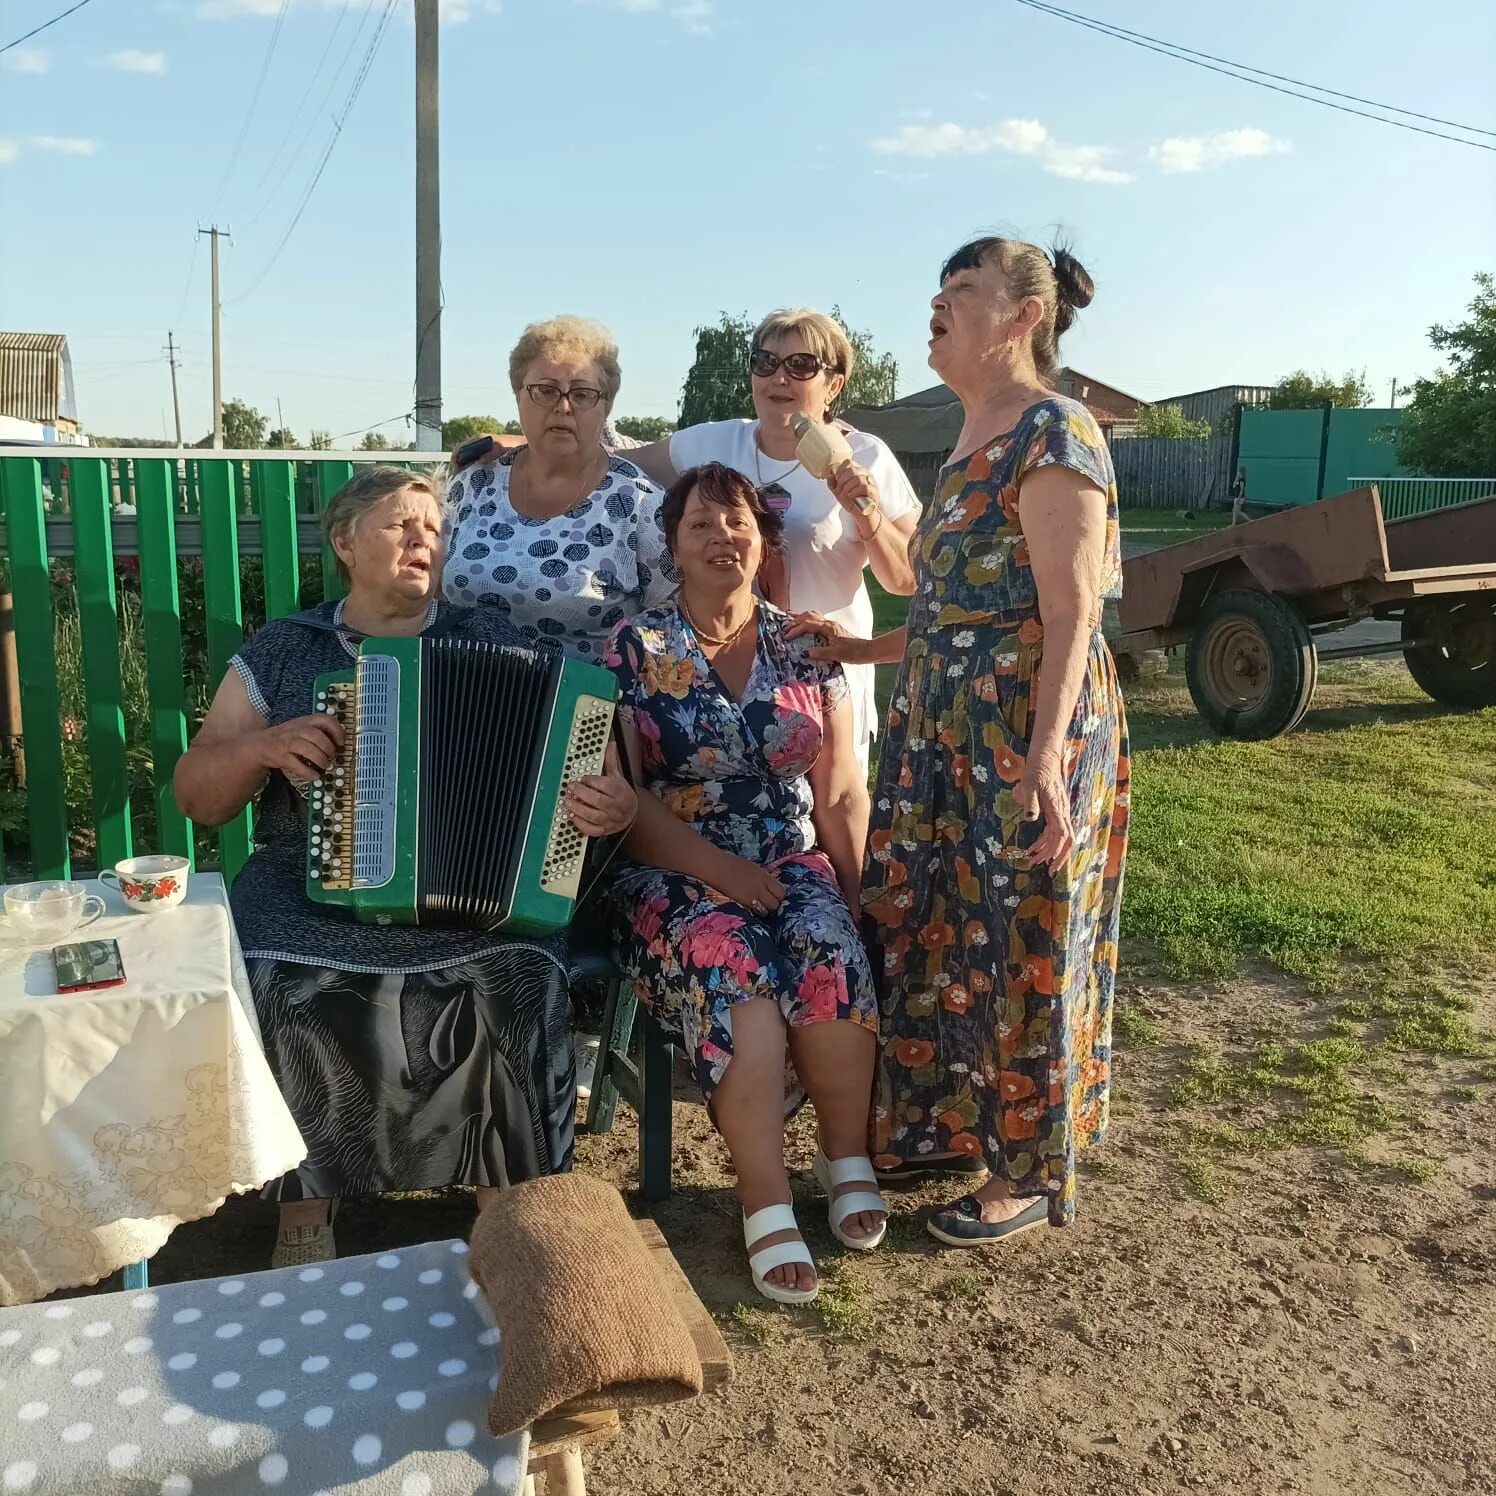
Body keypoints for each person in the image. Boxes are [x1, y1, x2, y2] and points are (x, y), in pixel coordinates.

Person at [174, 466, 637, 1267]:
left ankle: (513, 1217)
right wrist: (261, 748)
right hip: (306, 883)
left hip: (478, 901)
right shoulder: (287, 649)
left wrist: (613, 807)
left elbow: (598, 779)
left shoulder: (496, 645)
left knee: (521, 975)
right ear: (347, 542)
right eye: (401, 525)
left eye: (433, 528)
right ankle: (305, 1217)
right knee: (279, 974)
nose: (424, 540)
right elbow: (198, 796)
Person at [805, 236, 1130, 1245]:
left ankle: (1022, 1167)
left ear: (1021, 316)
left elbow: (1067, 611)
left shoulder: (1052, 428)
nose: (936, 305)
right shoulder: (962, 436)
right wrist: (856, 641)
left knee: (1019, 938)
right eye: (938, 289)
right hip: (942, 733)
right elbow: (950, 606)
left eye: (961, 291)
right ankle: (953, 1121)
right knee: (940, 930)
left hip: (1019, 733)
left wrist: (1041, 759)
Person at [604, 462, 887, 1305]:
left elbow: (837, 792)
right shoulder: (635, 647)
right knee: (743, 985)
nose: (721, 537)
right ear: (675, 549)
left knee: (832, 957)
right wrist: (723, 873)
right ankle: (763, 1193)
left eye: (737, 524)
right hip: (669, 869)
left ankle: (846, 1161)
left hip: (788, 859)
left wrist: (858, 890)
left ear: (762, 542)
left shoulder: (804, 644)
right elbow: (628, 799)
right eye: (701, 525)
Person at [621, 308, 921, 766]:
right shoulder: (713, 443)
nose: (779, 378)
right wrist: (512, 445)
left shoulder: (866, 456)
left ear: (834, 384)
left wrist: (869, 513)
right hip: (721, 674)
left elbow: (907, 581)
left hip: (821, 671)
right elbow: (612, 461)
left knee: (831, 818)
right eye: (766, 362)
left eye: (800, 365)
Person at [442, 315, 677, 661]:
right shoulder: (473, 486)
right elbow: (430, 597)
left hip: (588, 707)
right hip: (463, 698)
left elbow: (674, 625)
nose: (563, 406)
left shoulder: (640, 505)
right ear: (518, 396)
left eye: (582, 394)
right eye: (545, 390)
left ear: (606, 407)